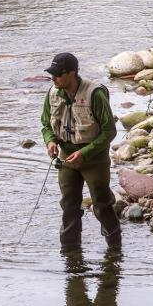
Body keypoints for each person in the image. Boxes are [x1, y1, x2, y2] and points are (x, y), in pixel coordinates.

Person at [40, 52, 121, 252]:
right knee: (68, 205)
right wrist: (50, 141)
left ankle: (114, 251)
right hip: (66, 156)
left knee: (101, 205)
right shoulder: (52, 93)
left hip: (94, 157)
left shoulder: (95, 94)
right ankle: (70, 252)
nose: (54, 78)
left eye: (58, 74)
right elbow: (45, 124)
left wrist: (85, 153)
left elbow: (110, 131)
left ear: (73, 73)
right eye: (52, 74)